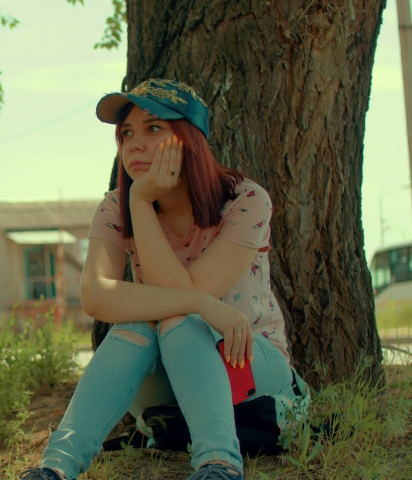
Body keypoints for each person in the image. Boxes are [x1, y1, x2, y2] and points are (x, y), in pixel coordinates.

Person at [18, 79, 308, 480]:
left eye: (154, 128)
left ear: (189, 140)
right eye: (126, 134)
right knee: (142, 325)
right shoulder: (118, 206)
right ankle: (55, 468)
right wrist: (138, 200)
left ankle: (219, 465)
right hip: (168, 381)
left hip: (249, 364)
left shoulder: (246, 200)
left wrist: (196, 302)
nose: (135, 144)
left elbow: (187, 295)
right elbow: (94, 295)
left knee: (178, 320)